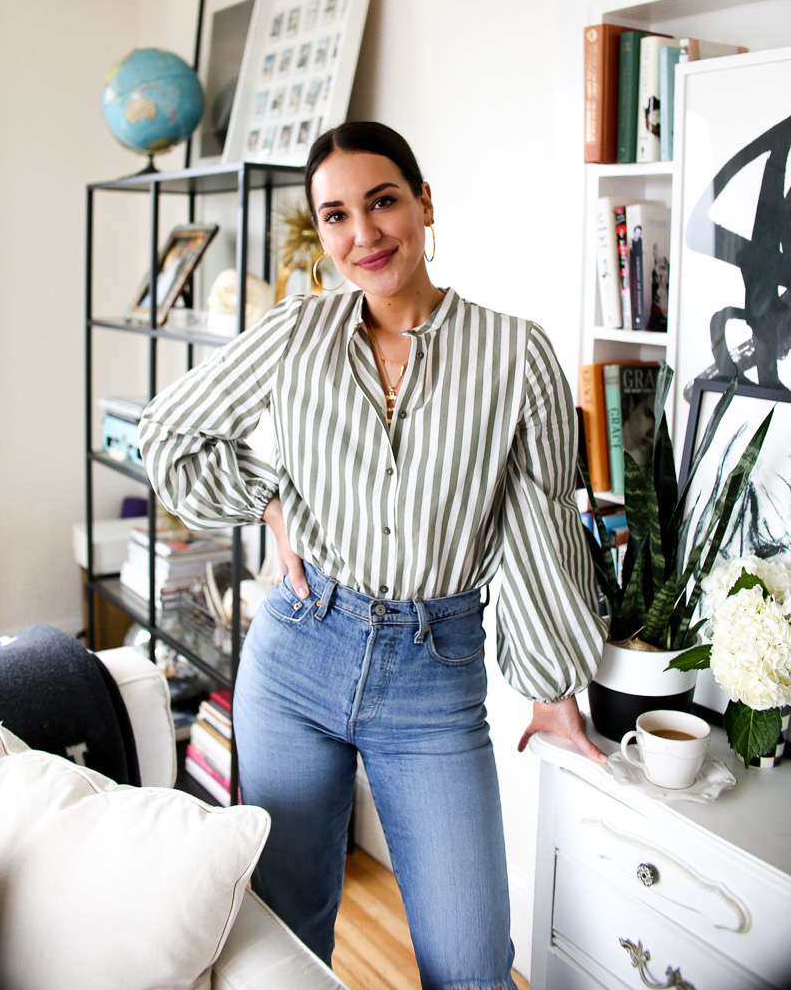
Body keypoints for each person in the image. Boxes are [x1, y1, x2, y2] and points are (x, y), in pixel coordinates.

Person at [138, 122, 607, 990]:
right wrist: (266, 501)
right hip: (296, 652)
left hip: (436, 677)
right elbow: (168, 432)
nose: (365, 234)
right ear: (322, 234)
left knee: (470, 962)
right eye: (337, 215)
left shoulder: (518, 354)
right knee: (285, 931)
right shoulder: (297, 335)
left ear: (424, 204)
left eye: (383, 201)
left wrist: (552, 687)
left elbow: (541, 527)